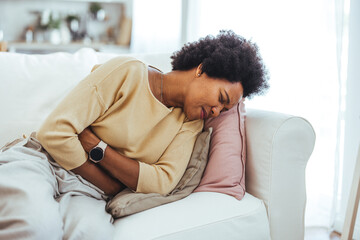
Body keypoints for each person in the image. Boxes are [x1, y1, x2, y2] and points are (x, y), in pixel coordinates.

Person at [0, 30, 269, 240]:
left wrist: (99, 149)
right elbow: (55, 133)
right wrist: (116, 180)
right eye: (220, 99)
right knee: (34, 227)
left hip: (89, 193)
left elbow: (162, 181)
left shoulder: (190, 125)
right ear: (202, 69)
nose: (215, 111)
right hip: (42, 161)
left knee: (92, 235)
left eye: (224, 109)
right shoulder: (128, 73)